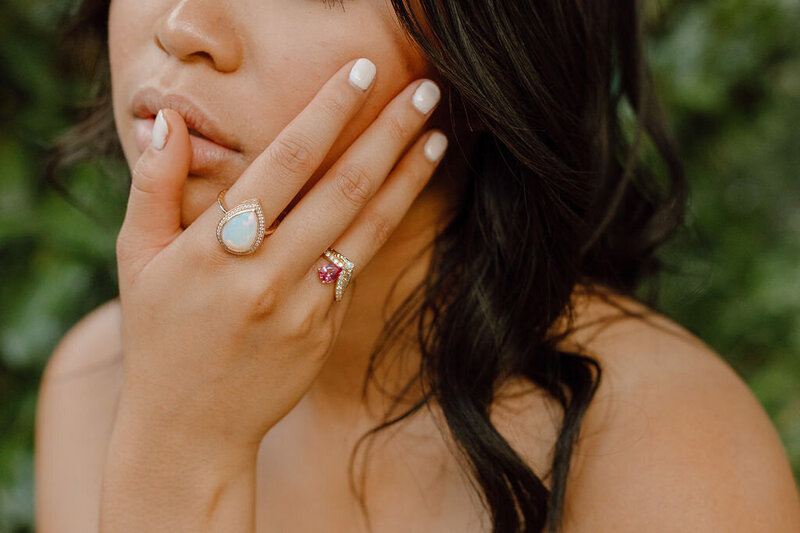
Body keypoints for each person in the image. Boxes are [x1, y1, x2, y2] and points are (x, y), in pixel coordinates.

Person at [34, 0, 800, 532]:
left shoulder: (669, 451)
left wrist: (181, 453)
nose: (183, 27)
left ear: (486, 56)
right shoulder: (96, 380)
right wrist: (174, 444)